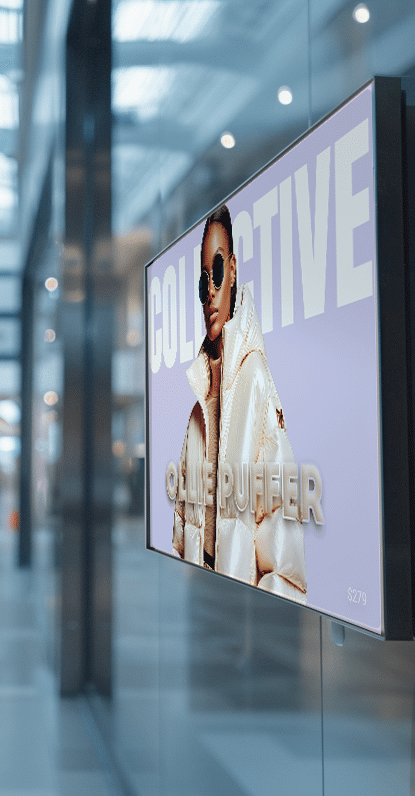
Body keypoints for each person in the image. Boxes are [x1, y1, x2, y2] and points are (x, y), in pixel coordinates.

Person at [170, 204, 307, 601]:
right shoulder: (198, 406)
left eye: (216, 272)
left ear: (232, 270)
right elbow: (181, 538)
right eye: (201, 283)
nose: (210, 292)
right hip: (205, 616)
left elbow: (283, 551)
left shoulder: (256, 382)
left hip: (239, 622)